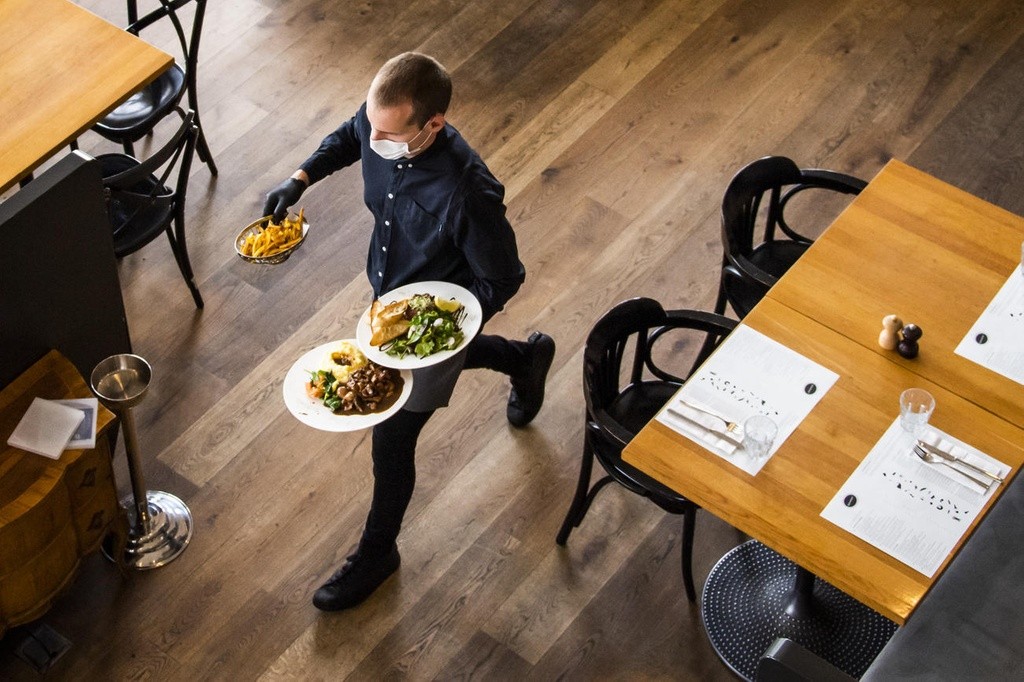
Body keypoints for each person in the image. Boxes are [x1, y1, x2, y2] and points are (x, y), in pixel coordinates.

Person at [263, 52, 555, 612]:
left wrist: (441, 332)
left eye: (388, 134)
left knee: (392, 440)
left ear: (433, 124)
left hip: (435, 315)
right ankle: (524, 359)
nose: (373, 140)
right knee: (415, 391)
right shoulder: (382, 122)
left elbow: (503, 277)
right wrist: (300, 179)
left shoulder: (467, 193)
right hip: (389, 296)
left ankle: (378, 554)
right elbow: (351, 134)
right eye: (372, 125)